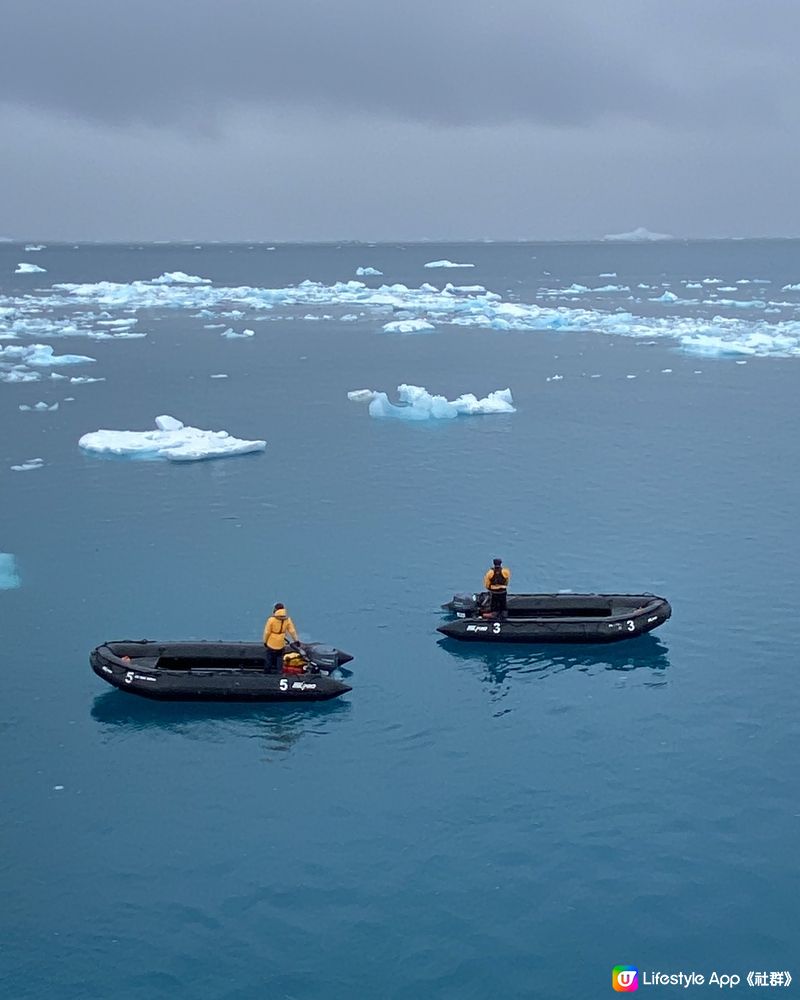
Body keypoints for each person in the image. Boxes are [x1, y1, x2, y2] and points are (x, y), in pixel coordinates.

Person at [262, 603, 299, 672]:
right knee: (279, 658)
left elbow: (267, 632)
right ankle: (279, 671)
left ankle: (267, 671)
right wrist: (296, 640)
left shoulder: (271, 620)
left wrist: (265, 641)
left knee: (269, 657)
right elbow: (292, 631)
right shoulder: (287, 619)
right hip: (281, 642)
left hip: (271, 642)